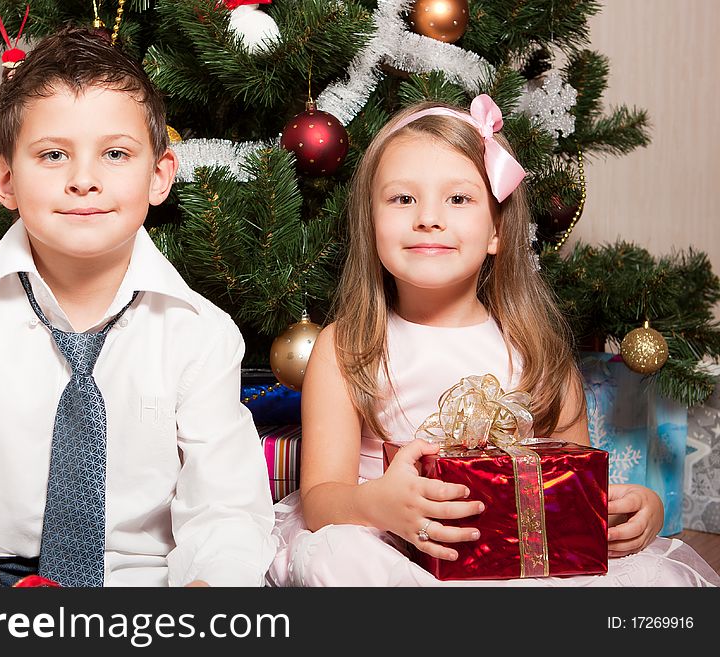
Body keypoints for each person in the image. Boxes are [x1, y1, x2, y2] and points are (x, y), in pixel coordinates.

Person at [0, 26, 275, 587]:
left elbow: (226, 511)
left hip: (141, 582)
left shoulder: (200, 333)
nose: (84, 180)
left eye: (115, 153)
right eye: (52, 155)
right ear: (4, 178)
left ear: (160, 175)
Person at [267, 95, 720, 587]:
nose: (428, 218)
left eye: (458, 199)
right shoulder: (348, 346)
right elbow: (320, 501)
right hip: (389, 548)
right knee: (336, 558)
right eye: (402, 199)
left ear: (497, 232)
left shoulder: (535, 350)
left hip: (516, 556)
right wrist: (377, 503)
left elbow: (576, 488)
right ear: (370, 224)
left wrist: (639, 510)